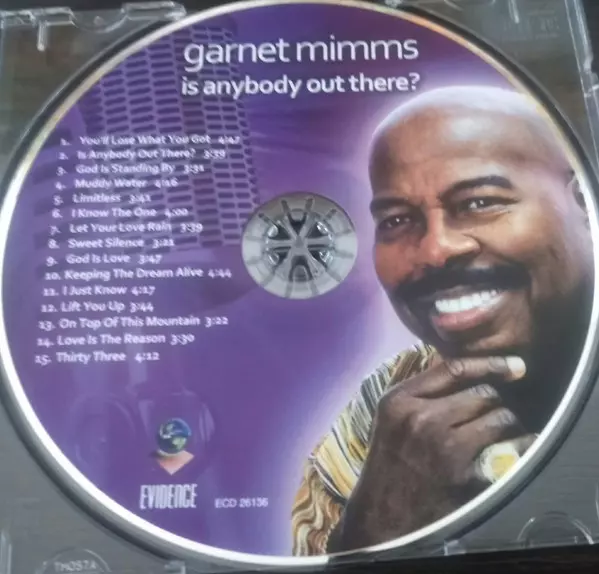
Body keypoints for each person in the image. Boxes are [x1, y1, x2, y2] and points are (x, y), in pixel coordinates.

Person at [291, 86, 594, 556]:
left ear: (585, 205)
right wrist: (377, 533)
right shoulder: (385, 412)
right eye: (396, 220)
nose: (436, 250)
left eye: (479, 202)